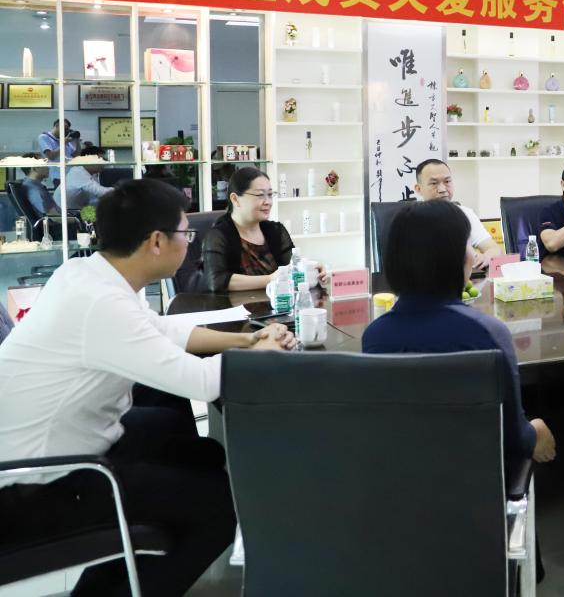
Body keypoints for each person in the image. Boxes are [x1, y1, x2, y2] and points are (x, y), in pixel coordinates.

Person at [0, 178, 295, 596]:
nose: (189, 242)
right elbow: (201, 381)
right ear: (157, 241)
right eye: (185, 233)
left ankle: (119, 571)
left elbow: (162, 330)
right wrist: (264, 353)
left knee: (193, 448)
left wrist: (247, 340)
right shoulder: (101, 303)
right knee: (217, 505)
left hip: (54, 449)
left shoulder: (86, 274)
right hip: (34, 486)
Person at [362, 200, 555, 465]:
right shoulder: (488, 332)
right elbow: (513, 436)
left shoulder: (375, 336)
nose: (473, 254)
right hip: (476, 475)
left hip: (402, 472)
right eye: (467, 245)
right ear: (453, 258)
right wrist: (535, 432)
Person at [201, 167, 329, 293]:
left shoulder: (276, 231)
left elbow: (293, 269)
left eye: (270, 195)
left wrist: (312, 271)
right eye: (260, 195)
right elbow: (216, 281)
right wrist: (270, 279)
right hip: (237, 305)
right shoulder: (218, 236)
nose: (268, 202)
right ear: (235, 199)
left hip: (279, 303)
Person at [414, 158, 502, 271]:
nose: (442, 189)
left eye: (447, 181)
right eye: (434, 183)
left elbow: (494, 249)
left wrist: (485, 257)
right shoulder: (410, 219)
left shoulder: (465, 214)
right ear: (419, 189)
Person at [64, 144, 113, 208]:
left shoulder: (93, 174)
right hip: (65, 211)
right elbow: (100, 192)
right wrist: (121, 189)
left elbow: (94, 198)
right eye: (100, 160)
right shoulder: (77, 172)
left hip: (80, 208)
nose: (103, 163)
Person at [37, 118, 79, 183]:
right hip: (58, 176)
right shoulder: (44, 137)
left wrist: (77, 141)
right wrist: (64, 142)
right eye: (65, 128)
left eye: (67, 129)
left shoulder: (65, 139)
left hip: (70, 175)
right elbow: (51, 156)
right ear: (57, 125)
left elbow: (76, 155)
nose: (66, 130)